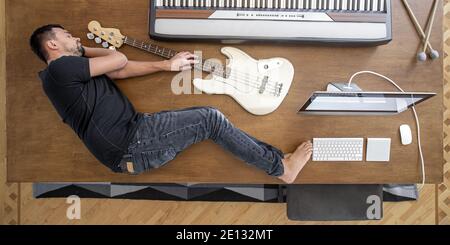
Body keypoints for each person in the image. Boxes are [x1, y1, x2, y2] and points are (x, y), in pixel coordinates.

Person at [29, 24, 312, 183]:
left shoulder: (64, 74)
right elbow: (118, 59)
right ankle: (281, 169)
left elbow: (118, 70)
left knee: (210, 121)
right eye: (67, 36)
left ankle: (279, 161)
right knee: (209, 119)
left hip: (133, 139)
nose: (75, 37)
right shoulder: (59, 69)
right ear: (52, 45)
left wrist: (165, 66)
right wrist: (84, 48)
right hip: (130, 144)